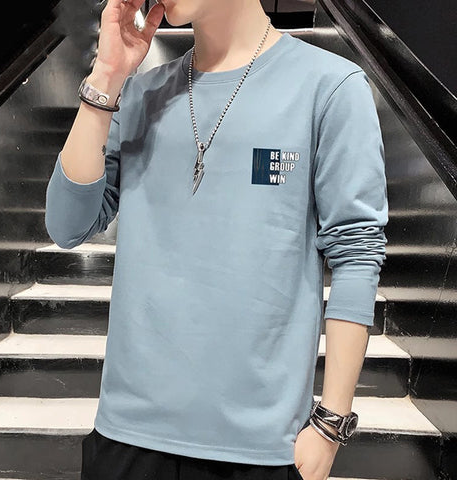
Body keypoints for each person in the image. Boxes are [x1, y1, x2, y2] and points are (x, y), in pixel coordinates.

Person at [45, 0, 389, 478]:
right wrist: (105, 77)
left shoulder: (330, 86)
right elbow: (67, 225)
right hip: (127, 436)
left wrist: (331, 422)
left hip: (259, 448)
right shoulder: (139, 92)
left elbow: (356, 253)